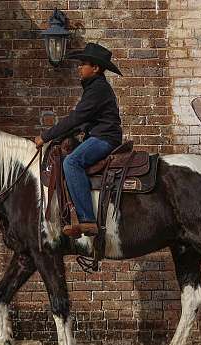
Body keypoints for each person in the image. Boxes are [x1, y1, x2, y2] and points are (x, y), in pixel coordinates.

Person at [35, 43, 123, 237]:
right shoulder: (94, 88)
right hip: (100, 135)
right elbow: (81, 121)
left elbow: (76, 118)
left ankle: (87, 220)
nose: (79, 68)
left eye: (83, 64)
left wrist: (45, 136)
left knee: (72, 162)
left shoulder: (97, 89)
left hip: (104, 138)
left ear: (96, 68)